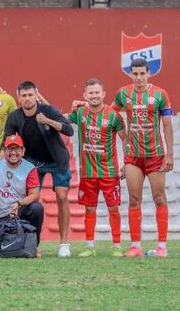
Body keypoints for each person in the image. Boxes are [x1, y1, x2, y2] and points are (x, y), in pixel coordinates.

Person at [111, 58, 174, 258]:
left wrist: (170, 155)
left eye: (142, 74)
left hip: (155, 155)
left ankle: (162, 247)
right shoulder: (123, 93)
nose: (138, 77)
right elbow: (110, 113)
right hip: (132, 156)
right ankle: (136, 246)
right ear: (130, 74)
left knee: (159, 198)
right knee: (134, 200)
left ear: (149, 73)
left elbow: (167, 125)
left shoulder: (160, 94)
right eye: (135, 74)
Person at [4, 81, 74, 257]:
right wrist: (0, 157)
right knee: (31, 201)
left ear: (36, 94)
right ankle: (28, 241)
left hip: (57, 160)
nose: (27, 99)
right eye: (24, 96)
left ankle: (64, 243)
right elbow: (6, 140)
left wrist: (47, 121)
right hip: (33, 162)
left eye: (30, 95)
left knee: (62, 196)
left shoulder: (48, 110)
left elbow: (68, 130)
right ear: (18, 97)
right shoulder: (14, 116)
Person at [68, 79, 127, 257]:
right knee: (89, 209)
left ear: (103, 94)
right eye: (90, 93)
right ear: (85, 95)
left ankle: (117, 246)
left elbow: (125, 139)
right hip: (88, 172)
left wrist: (126, 163)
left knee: (113, 208)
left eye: (97, 93)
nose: (94, 96)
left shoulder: (114, 115)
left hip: (109, 171)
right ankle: (89, 246)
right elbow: (61, 120)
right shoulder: (79, 113)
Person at [0, 134, 44, 252]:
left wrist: (19, 203)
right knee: (1, 248)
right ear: (4, 150)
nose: (13, 152)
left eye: (16, 148)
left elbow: (35, 194)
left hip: (18, 211)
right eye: (9, 149)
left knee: (37, 208)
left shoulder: (30, 168)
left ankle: (32, 245)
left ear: (23, 151)